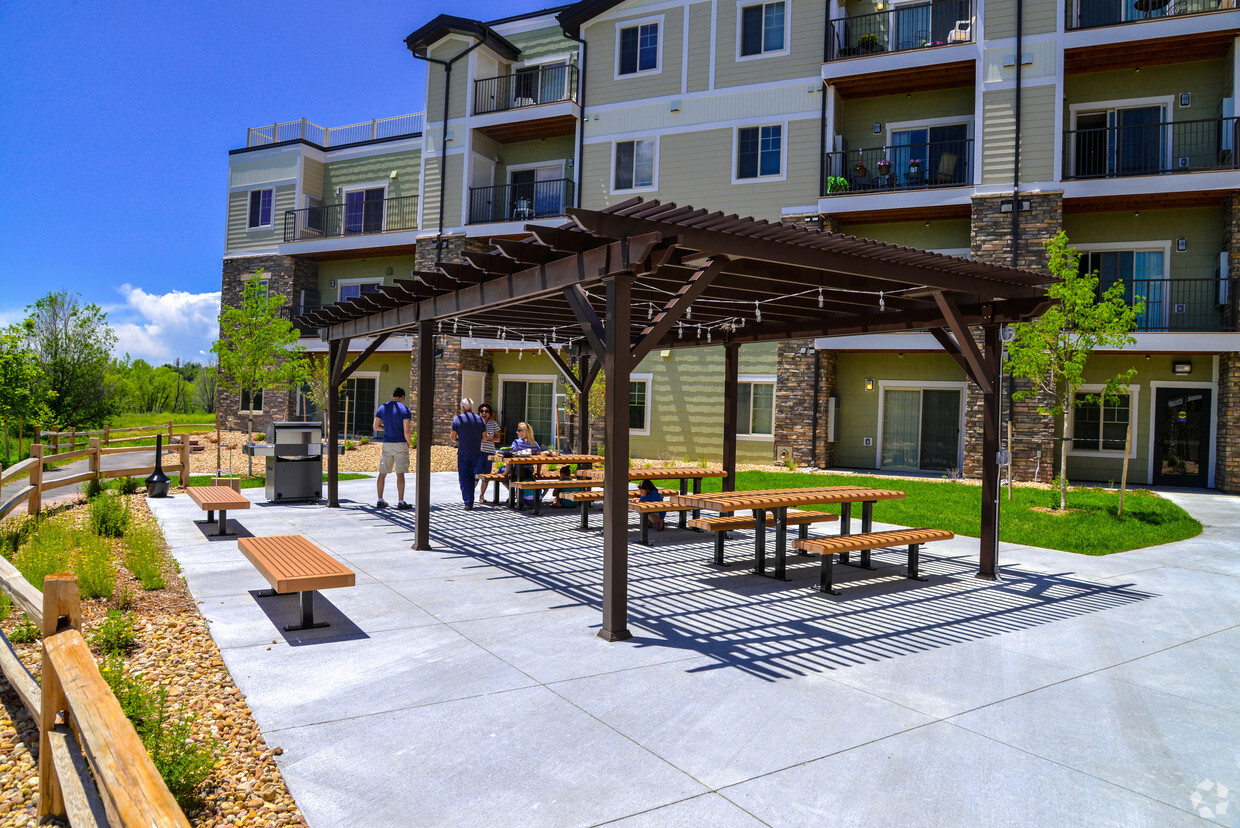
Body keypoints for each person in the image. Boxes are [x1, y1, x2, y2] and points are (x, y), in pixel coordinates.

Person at [372, 387, 412, 510]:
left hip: (387, 444)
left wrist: (386, 429)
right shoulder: (405, 410)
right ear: (403, 397)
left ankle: (380, 500)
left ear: (392, 395)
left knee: (382, 473)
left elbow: (375, 427)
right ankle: (400, 501)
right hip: (400, 443)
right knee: (400, 474)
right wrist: (410, 443)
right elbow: (406, 430)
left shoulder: (382, 407)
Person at [451, 397, 486, 510]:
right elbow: (484, 438)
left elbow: (452, 437)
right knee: (472, 476)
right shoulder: (480, 419)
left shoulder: (458, 419)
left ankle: (468, 501)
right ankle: (470, 500)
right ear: (471, 407)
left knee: (463, 477)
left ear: (462, 407)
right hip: (476, 452)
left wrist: (459, 441)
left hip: (463, 452)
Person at [475, 403, 499, 504]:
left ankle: (481, 496)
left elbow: (498, 439)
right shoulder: (475, 423)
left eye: (486, 411)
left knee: (486, 475)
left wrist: (491, 438)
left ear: (490, 414)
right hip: (478, 451)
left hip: (490, 452)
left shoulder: (493, 424)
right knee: (476, 474)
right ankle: (469, 496)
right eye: (482, 411)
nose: (484, 413)